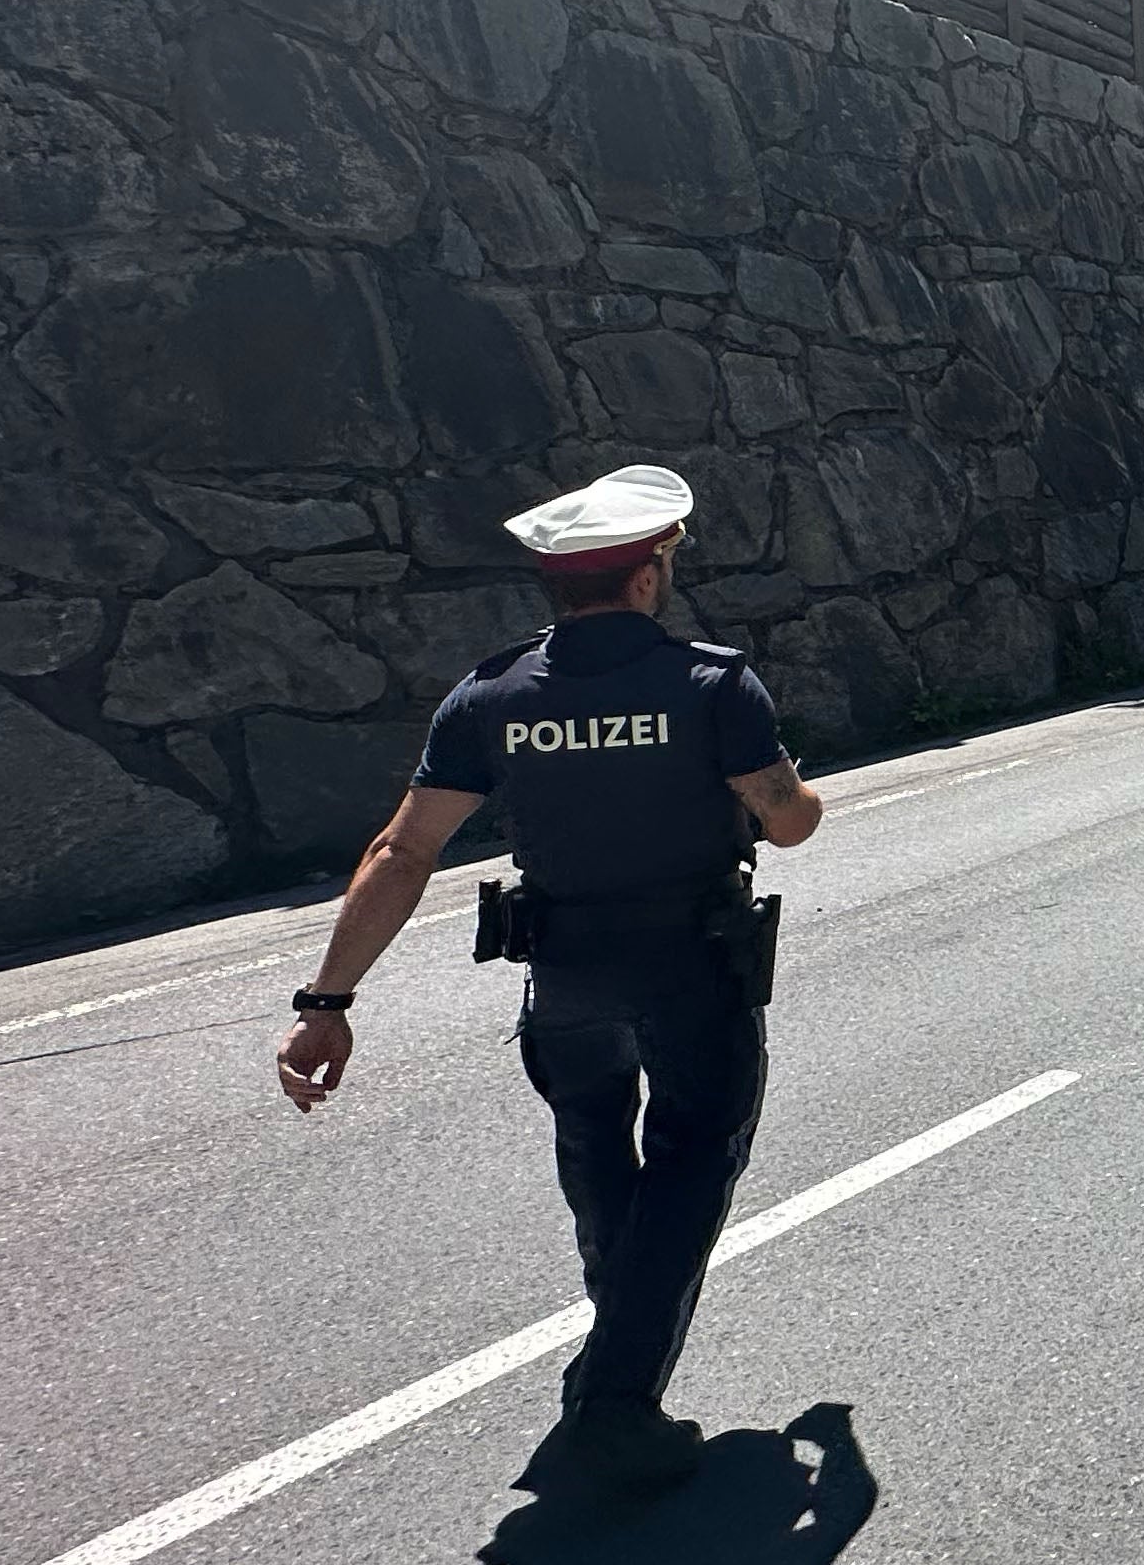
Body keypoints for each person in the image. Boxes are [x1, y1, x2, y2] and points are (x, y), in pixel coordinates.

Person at [275, 464, 824, 1500]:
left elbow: (403, 851)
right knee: (693, 1163)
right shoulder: (711, 685)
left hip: (564, 981)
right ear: (649, 574)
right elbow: (786, 821)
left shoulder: (490, 695)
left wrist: (326, 1004)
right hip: (691, 970)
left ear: (557, 582)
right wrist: (791, 795)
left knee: (595, 1148)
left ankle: (615, 1351)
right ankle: (614, 1404)